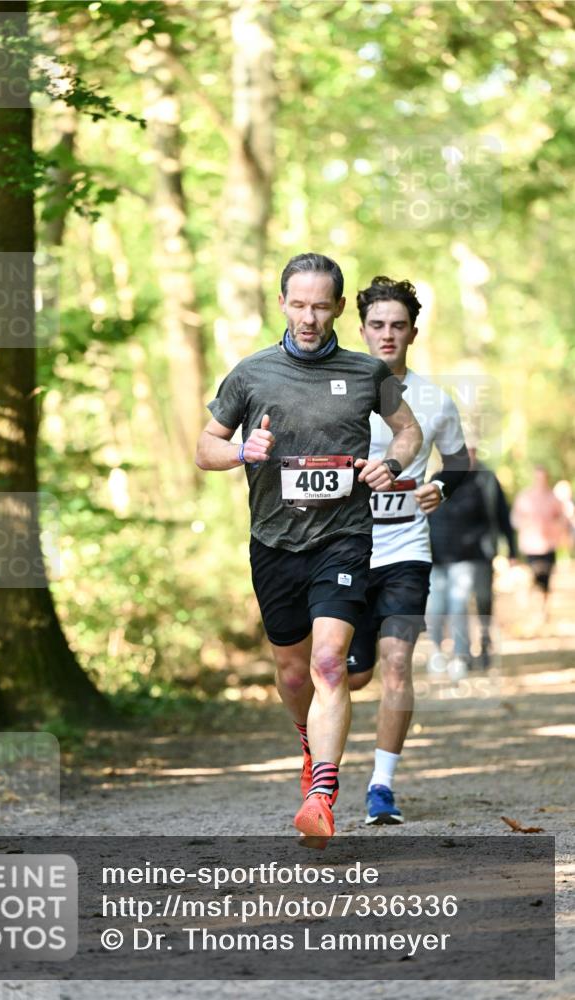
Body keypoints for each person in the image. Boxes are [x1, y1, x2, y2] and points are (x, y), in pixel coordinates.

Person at [196, 254, 423, 846]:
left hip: (343, 539)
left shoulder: (367, 371)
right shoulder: (251, 374)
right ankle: (308, 744)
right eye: (298, 304)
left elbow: (408, 430)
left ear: (340, 308)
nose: (309, 317)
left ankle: (321, 796)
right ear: (281, 303)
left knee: (329, 664)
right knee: (294, 672)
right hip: (273, 541)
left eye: (321, 306)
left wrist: (391, 464)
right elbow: (204, 448)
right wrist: (244, 453)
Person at [346, 276, 468, 825]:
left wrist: (439, 486)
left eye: (398, 326)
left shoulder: (434, 399)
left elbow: (463, 463)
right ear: (362, 330)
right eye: (377, 325)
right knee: (349, 676)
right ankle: (319, 770)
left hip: (405, 550)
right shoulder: (336, 389)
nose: (387, 335)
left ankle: (381, 786)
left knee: (398, 661)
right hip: (341, 552)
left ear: (413, 332)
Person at [426, 463, 491, 679]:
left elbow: (485, 521)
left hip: (464, 558)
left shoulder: (475, 485)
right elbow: (424, 516)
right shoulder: (433, 481)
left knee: (458, 607)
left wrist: (471, 543)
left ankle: (461, 656)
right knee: (435, 609)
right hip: (436, 558)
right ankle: (436, 652)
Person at [468, 445, 517, 667]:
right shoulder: (445, 478)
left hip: (483, 551)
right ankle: (463, 651)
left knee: (483, 599)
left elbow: (502, 514)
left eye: (471, 450)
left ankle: (485, 643)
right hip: (451, 555)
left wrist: (512, 550)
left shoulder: (487, 479)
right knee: (457, 604)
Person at [511, 466, 570, 622]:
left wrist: (557, 529)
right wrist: (525, 524)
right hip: (530, 546)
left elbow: (563, 519)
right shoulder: (524, 497)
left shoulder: (553, 499)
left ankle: (542, 610)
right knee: (531, 577)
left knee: (546, 579)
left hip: (549, 545)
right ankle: (532, 608)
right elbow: (514, 519)